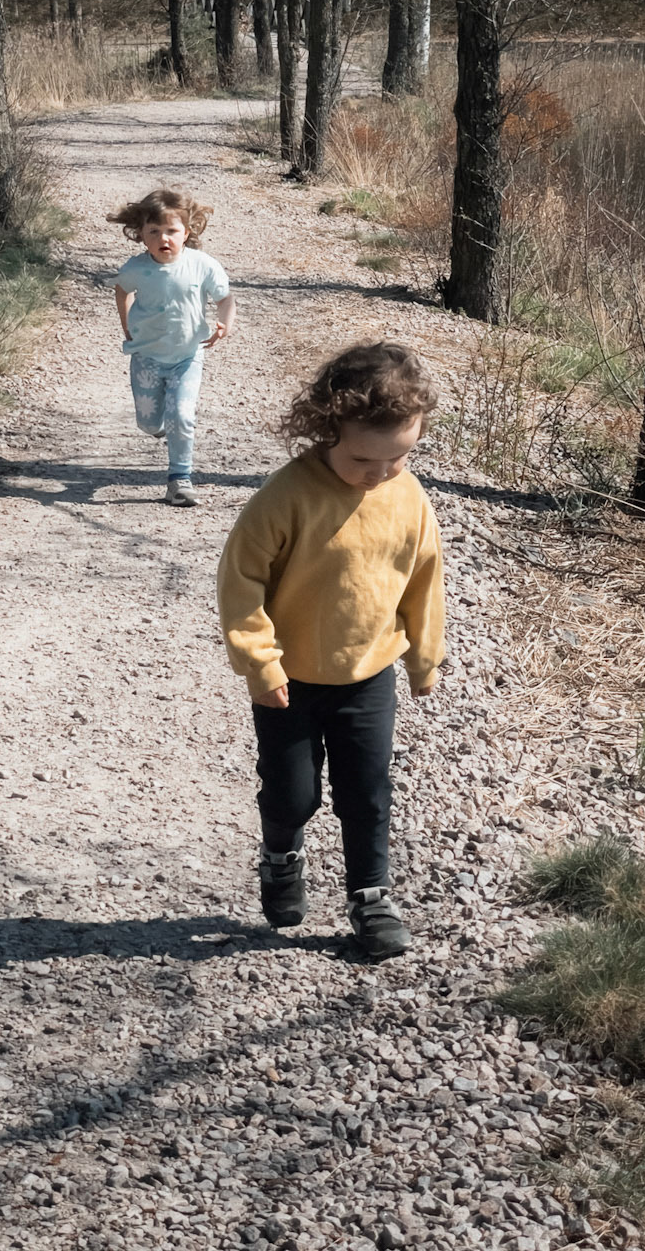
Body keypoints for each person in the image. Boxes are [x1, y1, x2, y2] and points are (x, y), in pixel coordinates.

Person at [216, 342, 444, 961]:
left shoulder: (408, 498)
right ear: (328, 426)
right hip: (289, 681)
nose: (380, 473)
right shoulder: (287, 496)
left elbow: (424, 579)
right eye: (363, 458)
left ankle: (371, 897)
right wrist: (260, 662)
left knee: (366, 791)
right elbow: (241, 581)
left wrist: (423, 655)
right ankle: (280, 855)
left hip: (369, 674)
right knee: (293, 794)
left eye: (400, 456)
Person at [109, 186, 235, 508]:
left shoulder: (202, 265)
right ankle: (163, 427)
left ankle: (180, 479)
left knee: (181, 415)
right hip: (146, 357)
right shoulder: (137, 268)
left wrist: (224, 323)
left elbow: (225, 298)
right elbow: (122, 291)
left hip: (187, 357)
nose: (163, 238)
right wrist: (126, 326)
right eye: (154, 232)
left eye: (172, 231)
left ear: (186, 233)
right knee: (149, 423)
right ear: (141, 235)